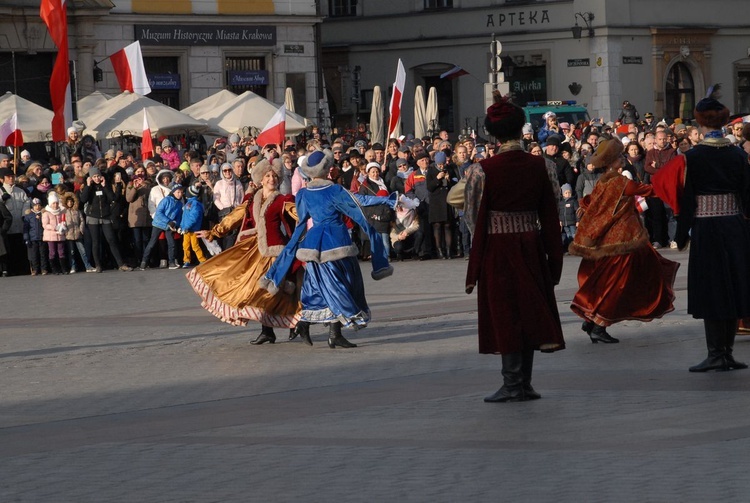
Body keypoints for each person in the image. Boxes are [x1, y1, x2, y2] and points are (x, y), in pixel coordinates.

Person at [464, 92, 565, 402]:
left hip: (498, 248)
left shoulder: (482, 169)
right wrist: (551, 251)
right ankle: (525, 382)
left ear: (492, 133)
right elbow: (555, 209)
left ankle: (512, 383)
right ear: (521, 127)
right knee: (530, 308)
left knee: (506, 311)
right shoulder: (543, 165)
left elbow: (471, 215)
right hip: (532, 244)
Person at [652, 95, 750, 372]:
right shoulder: (738, 154)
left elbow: (685, 199)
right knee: (731, 286)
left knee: (712, 288)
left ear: (699, 121)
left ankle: (715, 353)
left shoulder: (692, 158)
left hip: (707, 228)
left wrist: (681, 234)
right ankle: (727, 352)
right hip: (734, 226)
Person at [261, 149, 394, 349]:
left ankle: (322, 330)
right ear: (327, 169)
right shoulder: (335, 190)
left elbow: (300, 224)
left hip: (313, 245)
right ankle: (317, 328)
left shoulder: (304, 193)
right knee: (342, 285)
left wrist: (291, 249)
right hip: (335, 243)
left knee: (319, 289)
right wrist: (386, 199)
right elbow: (360, 204)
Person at [568, 137, 679, 343]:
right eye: (619, 156)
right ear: (611, 162)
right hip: (624, 242)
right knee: (617, 285)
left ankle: (592, 321)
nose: (622, 158)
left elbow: (589, 202)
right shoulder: (621, 183)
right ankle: (598, 325)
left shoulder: (603, 182)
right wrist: (672, 178)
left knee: (607, 282)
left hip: (610, 242)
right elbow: (650, 190)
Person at [187, 158, 307, 344]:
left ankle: (296, 325)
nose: (271, 179)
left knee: (280, 292)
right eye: (267, 176)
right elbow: (234, 217)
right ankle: (267, 330)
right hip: (254, 249)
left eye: (274, 176)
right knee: (254, 290)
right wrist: (213, 232)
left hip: (275, 251)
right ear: (260, 178)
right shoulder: (252, 199)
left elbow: (300, 215)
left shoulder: (283, 200)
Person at [79, 168, 132, 273]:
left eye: (98, 176)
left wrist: (105, 186)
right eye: (94, 177)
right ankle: (98, 265)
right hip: (93, 216)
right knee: (96, 241)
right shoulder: (89, 187)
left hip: (106, 216)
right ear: (91, 177)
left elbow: (113, 198)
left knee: (111, 239)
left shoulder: (105, 185)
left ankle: (120, 264)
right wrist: (88, 185)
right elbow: (83, 199)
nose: (97, 178)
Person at [141, 184, 184, 270]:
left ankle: (171, 263)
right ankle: (144, 262)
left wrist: (176, 224)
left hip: (169, 226)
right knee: (152, 243)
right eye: (178, 192)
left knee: (171, 243)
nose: (180, 194)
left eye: (181, 192)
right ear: (173, 192)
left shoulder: (179, 203)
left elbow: (179, 216)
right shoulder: (166, 200)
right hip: (159, 224)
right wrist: (169, 221)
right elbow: (159, 212)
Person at [179, 182, 207, 268]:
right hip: (186, 229)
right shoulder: (188, 203)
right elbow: (185, 217)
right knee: (185, 245)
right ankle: (186, 260)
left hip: (193, 229)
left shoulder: (194, 204)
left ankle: (202, 260)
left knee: (195, 245)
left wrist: (187, 227)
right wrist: (181, 226)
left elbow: (193, 218)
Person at [41, 192, 67, 275]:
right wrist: (54, 227)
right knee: (52, 252)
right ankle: (54, 269)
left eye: (56, 203)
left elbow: (63, 221)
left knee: (61, 251)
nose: (55, 205)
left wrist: (63, 225)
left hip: (60, 234)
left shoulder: (61, 212)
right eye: (53, 203)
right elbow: (45, 225)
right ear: (50, 204)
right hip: (51, 235)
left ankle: (63, 268)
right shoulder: (46, 213)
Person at [559, 183, 578, 252]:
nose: (567, 194)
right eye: (566, 193)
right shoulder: (561, 203)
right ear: (563, 194)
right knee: (568, 235)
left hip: (572, 222)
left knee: (573, 234)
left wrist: (577, 221)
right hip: (565, 223)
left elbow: (577, 212)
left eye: (569, 192)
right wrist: (560, 221)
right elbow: (560, 213)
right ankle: (569, 248)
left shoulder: (573, 201)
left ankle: (575, 248)